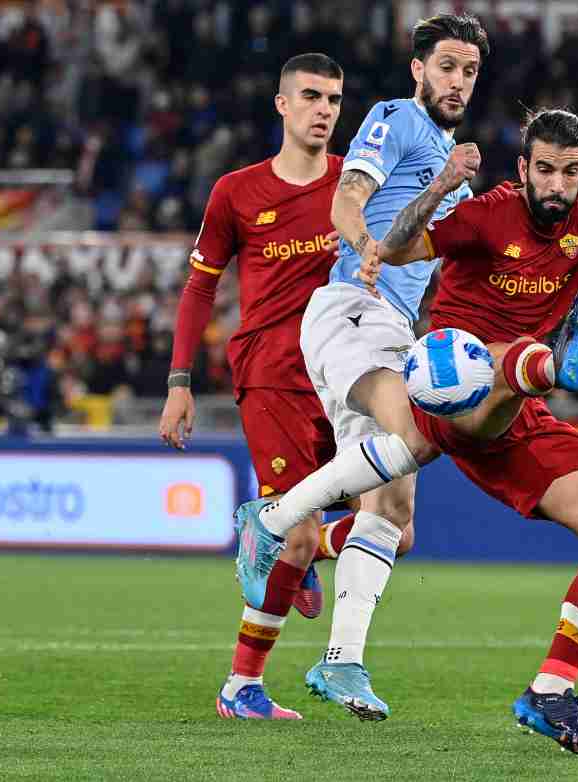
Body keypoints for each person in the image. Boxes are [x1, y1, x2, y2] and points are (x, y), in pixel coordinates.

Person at [240, 108, 578, 753]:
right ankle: (557, 360)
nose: (556, 185)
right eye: (544, 170)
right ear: (523, 170)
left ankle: (550, 691)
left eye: (569, 172)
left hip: (519, 413)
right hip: (449, 383)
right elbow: (392, 247)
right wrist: (441, 185)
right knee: (492, 369)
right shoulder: (486, 215)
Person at [231, 13, 490, 722]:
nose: (457, 81)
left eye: (468, 70)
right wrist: (365, 245)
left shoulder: (455, 168)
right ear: (419, 70)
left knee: (395, 509)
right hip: (351, 305)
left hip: (391, 329)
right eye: (446, 66)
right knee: (419, 431)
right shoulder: (396, 119)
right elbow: (351, 195)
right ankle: (275, 519)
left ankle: (341, 661)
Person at [158, 53, 413, 722]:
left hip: (347, 371)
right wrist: (179, 382)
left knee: (390, 526)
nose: (324, 108)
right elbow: (199, 287)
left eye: (333, 98)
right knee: (298, 536)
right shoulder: (236, 192)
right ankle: (242, 685)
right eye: (311, 95)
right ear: (283, 105)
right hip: (271, 372)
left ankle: (280, 549)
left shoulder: (355, 188)